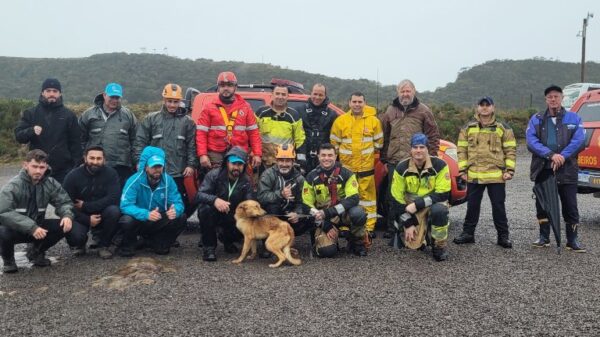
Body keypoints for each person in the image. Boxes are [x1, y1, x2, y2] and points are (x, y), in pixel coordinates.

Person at [0, 150, 86, 273]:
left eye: (42, 167)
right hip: (16, 229)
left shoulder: (50, 183)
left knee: (64, 225)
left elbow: (64, 202)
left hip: (38, 227)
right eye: (34, 166)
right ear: (25, 165)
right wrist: (31, 227)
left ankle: (36, 252)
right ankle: (8, 260)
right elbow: (3, 212)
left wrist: (66, 215)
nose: (38, 171)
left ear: (46, 167)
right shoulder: (13, 186)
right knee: (3, 231)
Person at [526, 85, 586, 252]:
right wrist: (551, 155)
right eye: (550, 97)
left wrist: (562, 156)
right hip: (543, 169)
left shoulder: (574, 118)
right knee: (542, 204)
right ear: (546, 100)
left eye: (556, 96)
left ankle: (572, 240)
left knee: (570, 205)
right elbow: (531, 141)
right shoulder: (536, 119)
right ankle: (544, 237)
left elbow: (579, 140)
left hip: (567, 169)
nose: (553, 99)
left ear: (562, 98)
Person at [380, 79, 441, 238]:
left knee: (416, 195)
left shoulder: (424, 111)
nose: (405, 94)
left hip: (416, 161)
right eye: (402, 91)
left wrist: (431, 158)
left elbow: (433, 136)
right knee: (393, 196)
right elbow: (385, 137)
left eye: (408, 91)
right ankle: (393, 228)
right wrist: (384, 159)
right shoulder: (390, 111)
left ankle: (420, 225)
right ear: (397, 92)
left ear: (414, 91)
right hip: (394, 161)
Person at [453, 97, 516, 248]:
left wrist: (509, 170)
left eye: (488, 105)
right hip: (474, 174)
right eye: (482, 105)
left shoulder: (502, 127)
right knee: (472, 206)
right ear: (477, 108)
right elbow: (461, 150)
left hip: (496, 176)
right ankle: (468, 234)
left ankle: (503, 236)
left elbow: (510, 150)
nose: (485, 108)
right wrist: (462, 170)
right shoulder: (467, 127)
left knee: (498, 207)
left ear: (493, 108)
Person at [134, 83, 198, 217]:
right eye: (169, 101)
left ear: (180, 101)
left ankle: (171, 234)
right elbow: (140, 142)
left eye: (175, 102)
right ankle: (150, 234)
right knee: (152, 203)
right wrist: (140, 162)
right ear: (164, 100)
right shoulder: (151, 119)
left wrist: (191, 165)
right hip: (154, 171)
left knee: (175, 205)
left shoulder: (188, 122)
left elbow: (192, 146)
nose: (172, 105)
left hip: (177, 172)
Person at [390, 133, 451, 261]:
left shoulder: (440, 165)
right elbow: (396, 199)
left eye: (422, 147)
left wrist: (417, 205)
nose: (418, 151)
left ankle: (439, 245)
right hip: (411, 208)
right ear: (410, 150)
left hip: (430, 203)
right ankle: (423, 235)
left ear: (427, 149)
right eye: (415, 147)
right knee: (413, 245)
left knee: (439, 211)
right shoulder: (401, 167)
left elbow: (443, 194)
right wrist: (408, 223)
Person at [330, 92, 383, 237]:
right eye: (354, 101)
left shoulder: (374, 121)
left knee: (368, 200)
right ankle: (346, 226)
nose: (357, 104)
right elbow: (334, 145)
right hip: (347, 171)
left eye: (360, 102)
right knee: (346, 198)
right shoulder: (340, 121)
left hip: (366, 170)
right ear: (349, 103)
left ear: (365, 103)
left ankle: (369, 229)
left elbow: (379, 144)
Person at [302, 143, 368, 257]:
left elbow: (353, 198)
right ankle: (329, 241)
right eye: (323, 155)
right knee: (327, 252)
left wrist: (330, 211)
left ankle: (357, 243)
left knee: (358, 213)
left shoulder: (347, 173)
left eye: (330, 155)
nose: (326, 158)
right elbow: (305, 204)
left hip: (343, 213)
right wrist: (323, 224)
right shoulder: (311, 177)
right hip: (324, 218)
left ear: (335, 156)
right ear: (318, 156)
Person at [118, 146, 186, 257]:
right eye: (153, 166)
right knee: (126, 220)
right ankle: (128, 245)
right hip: (139, 219)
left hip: (158, 219)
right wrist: (146, 214)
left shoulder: (169, 180)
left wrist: (175, 211)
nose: (157, 169)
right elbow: (125, 205)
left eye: (159, 166)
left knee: (181, 217)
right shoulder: (134, 180)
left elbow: (178, 203)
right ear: (145, 167)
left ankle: (156, 242)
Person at [14, 78, 82, 183]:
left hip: (63, 171)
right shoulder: (31, 113)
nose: (51, 94)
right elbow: (19, 136)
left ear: (60, 93)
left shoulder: (69, 115)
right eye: (48, 91)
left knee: (61, 199)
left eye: (55, 91)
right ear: (42, 93)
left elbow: (76, 144)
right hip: (37, 169)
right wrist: (31, 131)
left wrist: (74, 168)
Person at [195, 146, 254, 261]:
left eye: (240, 164)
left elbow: (250, 201)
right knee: (204, 210)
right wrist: (215, 200)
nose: (236, 167)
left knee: (248, 219)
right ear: (227, 163)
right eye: (233, 164)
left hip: (233, 214)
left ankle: (227, 240)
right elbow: (199, 195)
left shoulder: (247, 180)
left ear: (244, 166)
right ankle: (209, 248)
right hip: (215, 212)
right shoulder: (213, 175)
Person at [62, 146, 121, 259]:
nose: (95, 161)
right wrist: (87, 219)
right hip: (81, 214)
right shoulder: (72, 176)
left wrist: (86, 205)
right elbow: (64, 204)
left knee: (114, 211)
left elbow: (114, 197)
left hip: (101, 212)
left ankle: (104, 245)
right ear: (85, 158)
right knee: (70, 226)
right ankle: (78, 244)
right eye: (92, 158)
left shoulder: (111, 174)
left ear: (104, 160)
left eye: (99, 158)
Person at [195, 71, 261, 170]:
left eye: (229, 85)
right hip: (215, 154)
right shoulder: (208, 107)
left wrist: (257, 153)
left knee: (240, 183)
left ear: (235, 87)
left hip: (239, 152)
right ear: (218, 87)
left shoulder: (245, 107)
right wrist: (202, 155)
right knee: (215, 182)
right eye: (222, 85)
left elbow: (254, 133)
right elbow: (201, 133)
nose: (226, 88)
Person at [79, 82, 137, 189]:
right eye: (112, 97)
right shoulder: (88, 114)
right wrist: (83, 159)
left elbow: (135, 140)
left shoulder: (128, 115)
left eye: (117, 97)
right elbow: (80, 139)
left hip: (120, 166)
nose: (115, 100)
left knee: (117, 199)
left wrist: (136, 162)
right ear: (104, 95)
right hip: (94, 165)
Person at [257, 144, 310, 237]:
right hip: (273, 214)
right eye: (281, 160)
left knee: (310, 218)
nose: (284, 164)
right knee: (271, 207)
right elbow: (261, 197)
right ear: (276, 161)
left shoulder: (300, 179)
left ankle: (287, 242)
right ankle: (268, 244)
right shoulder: (268, 175)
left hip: (290, 215)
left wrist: (297, 213)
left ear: (293, 162)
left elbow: (304, 201)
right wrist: (280, 194)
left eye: (288, 161)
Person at [256, 84, 306, 171]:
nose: (280, 96)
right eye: (277, 93)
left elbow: (300, 140)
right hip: (263, 161)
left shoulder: (294, 116)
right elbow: (252, 134)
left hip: (284, 162)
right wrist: (254, 154)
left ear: (288, 96)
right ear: (272, 94)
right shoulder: (261, 112)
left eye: (283, 94)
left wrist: (301, 161)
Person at [297, 83, 339, 174]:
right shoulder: (299, 110)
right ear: (311, 93)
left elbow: (335, 137)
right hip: (303, 157)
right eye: (315, 94)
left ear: (325, 96)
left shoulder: (332, 114)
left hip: (323, 158)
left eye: (320, 95)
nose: (317, 97)